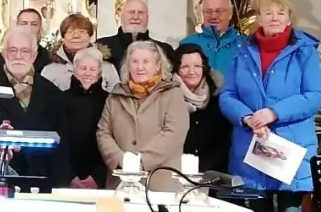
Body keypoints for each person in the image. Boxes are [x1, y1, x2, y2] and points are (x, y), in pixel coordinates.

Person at [219, 0, 321, 212]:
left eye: (281, 13)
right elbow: (227, 94)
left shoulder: (304, 51)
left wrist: (274, 113)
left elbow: (315, 94)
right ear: (260, 18)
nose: (275, 18)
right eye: (269, 13)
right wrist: (247, 117)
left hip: (289, 146)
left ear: (289, 19)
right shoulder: (243, 50)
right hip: (251, 144)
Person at [0, 28, 72, 186]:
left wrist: (61, 187)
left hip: (40, 181)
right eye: (12, 50)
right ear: (4, 54)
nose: (18, 56)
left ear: (34, 56)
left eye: (24, 51)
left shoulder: (53, 94)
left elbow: (61, 149)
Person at [97, 40, 190, 192]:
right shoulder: (116, 96)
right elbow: (103, 132)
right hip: (120, 184)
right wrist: (122, 160)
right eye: (134, 61)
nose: (140, 67)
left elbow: (174, 133)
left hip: (160, 185)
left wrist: (141, 162)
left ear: (158, 65)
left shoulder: (173, 94)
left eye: (146, 61)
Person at [173, 43, 231, 174]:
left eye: (197, 66)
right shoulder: (168, 96)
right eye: (185, 67)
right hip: (176, 172)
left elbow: (224, 141)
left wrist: (207, 170)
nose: (192, 72)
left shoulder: (217, 95)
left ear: (204, 67)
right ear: (176, 69)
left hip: (213, 174)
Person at [62, 46, 111, 188]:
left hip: (100, 179)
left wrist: (97, 177)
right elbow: (60, 142)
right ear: (74, 69)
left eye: (92, 69)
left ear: (100, 72)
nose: (87, 73)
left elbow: (114, 140)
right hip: (67, 178)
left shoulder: (110, 101)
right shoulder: (60, 100)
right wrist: (70, 176)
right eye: (83, 68)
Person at [41, 14, 121, 91]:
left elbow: (115, 98)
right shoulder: (50, 69)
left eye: (82, 31)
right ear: (63, 36)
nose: (76, 36)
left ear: (90, 36)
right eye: (70, 32)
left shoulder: (106, 67)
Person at [95, 0, 173, 76]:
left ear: (147, 18)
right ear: (122, 16)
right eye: (131, 12)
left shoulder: (164, 49)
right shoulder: (101, 45)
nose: (136, 17)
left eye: (140, 13)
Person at [180, 0, 241, 78]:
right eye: (208, 11)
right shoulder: (187, 44)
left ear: (230, 14)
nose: (213, 16)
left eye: (219, 11)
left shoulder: (245, 45)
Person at [0, 8, 54, 78]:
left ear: (40, 29)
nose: (28, 28)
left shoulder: (48, 60)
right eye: (24, 23)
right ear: (17, 26)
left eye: (34, 24)